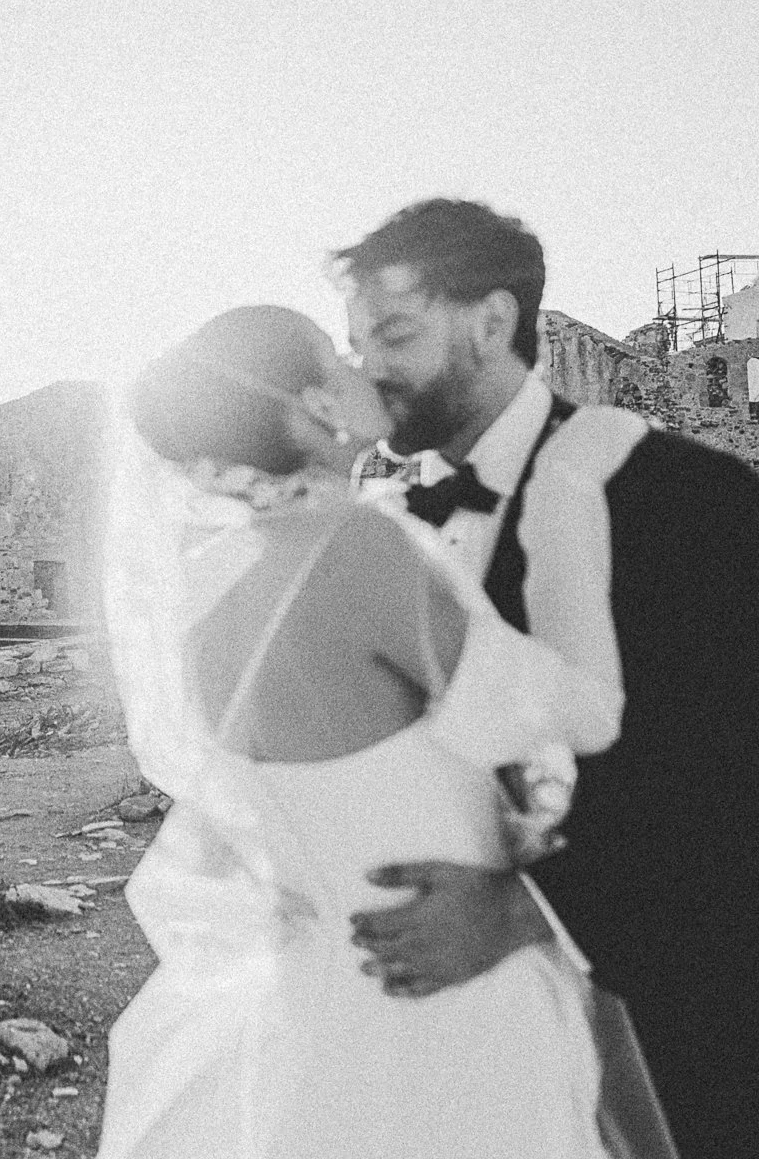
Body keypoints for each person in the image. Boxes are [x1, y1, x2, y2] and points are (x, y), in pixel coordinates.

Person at [337, 198, 759, 1159]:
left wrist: (530, 907)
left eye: (394, 334)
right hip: (478, 1058)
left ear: (492, 322)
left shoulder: (697, 500)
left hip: (701, 1037)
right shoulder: (383, 533)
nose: (368, 368)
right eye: (358, 343)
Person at [97, 305, 649, 1158]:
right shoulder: (364, 546)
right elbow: (573, 720)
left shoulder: (206, 592)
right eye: (336, 353)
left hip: (326, 1000)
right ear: (314, 406)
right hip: (464, 988)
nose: (364, 363)